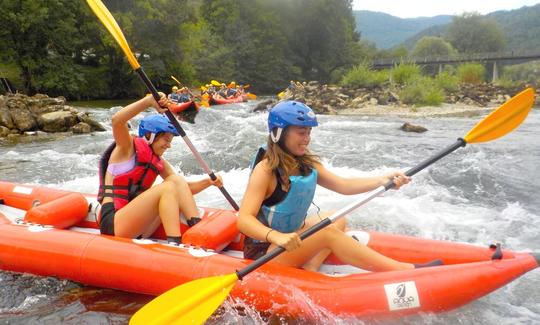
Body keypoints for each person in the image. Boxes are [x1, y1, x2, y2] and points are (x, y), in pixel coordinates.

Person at [237, 101, 442, 272]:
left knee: (338, 218)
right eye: (301, 133)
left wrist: (382, 180)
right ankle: (404, 270)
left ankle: (310, 265)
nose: (307, 139)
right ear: (278, 133)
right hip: (266, 252)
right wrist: (277, 237)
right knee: (327, 233)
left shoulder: (305, 163)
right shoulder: (265, 170)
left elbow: (344, 185)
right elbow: (244, 219)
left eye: (309, 132)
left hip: (293, 237)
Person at [97, 94, 223, 245]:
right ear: (150, 135)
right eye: (166, 140)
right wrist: (148, 101)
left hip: (138, 225)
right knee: (168, 187)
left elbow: (182, 189)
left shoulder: (157, 161)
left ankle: (197, 229)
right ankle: (174, 244)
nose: (168, 145)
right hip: (114, 222)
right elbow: (117, 120)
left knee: (175, 180)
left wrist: (208, 182)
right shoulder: (126, 147)